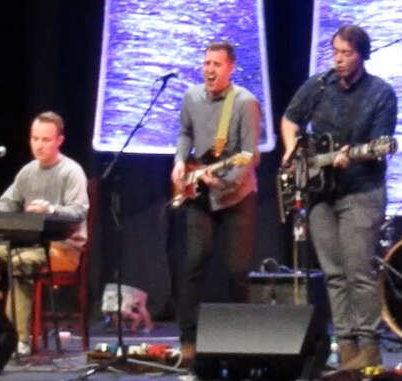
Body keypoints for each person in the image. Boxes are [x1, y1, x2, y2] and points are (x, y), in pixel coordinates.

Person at [281, 24, 397, 370]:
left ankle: (369, 346)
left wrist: (355, 155)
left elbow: (380, 145)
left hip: (361, 190)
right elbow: (290, 118)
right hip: (319, 192)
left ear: (362, 54)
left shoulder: (381, 93)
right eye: (335, 52)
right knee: (333, 273)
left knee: (358, 272)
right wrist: (291, 152)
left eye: (347, 53)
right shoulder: (319, 85)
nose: (340, 60)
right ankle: (346, 347)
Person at [170, 41, 261, 366]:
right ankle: (188, 341)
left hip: (237, 196)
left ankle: (241, 346)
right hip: (201, 193)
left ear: (231, 68)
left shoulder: (245, 103)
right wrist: (181, 160)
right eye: (206, 63)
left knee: (237, 272)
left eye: (217, 64)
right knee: (194, 264)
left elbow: (250, 155)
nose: (209, 69)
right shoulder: (191, 97)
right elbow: (184, 133)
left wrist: (224, 181)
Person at [0, 111, 89, 356]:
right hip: (26, 244)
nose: (39, 145)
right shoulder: (27, 172)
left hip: (62, 249)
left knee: (20, 262)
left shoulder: (71, 171)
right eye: (35, 138)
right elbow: (9, 203)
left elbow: (79, 212)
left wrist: (52, 209)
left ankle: (17, 339)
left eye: (46, 140)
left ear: (59, 141)